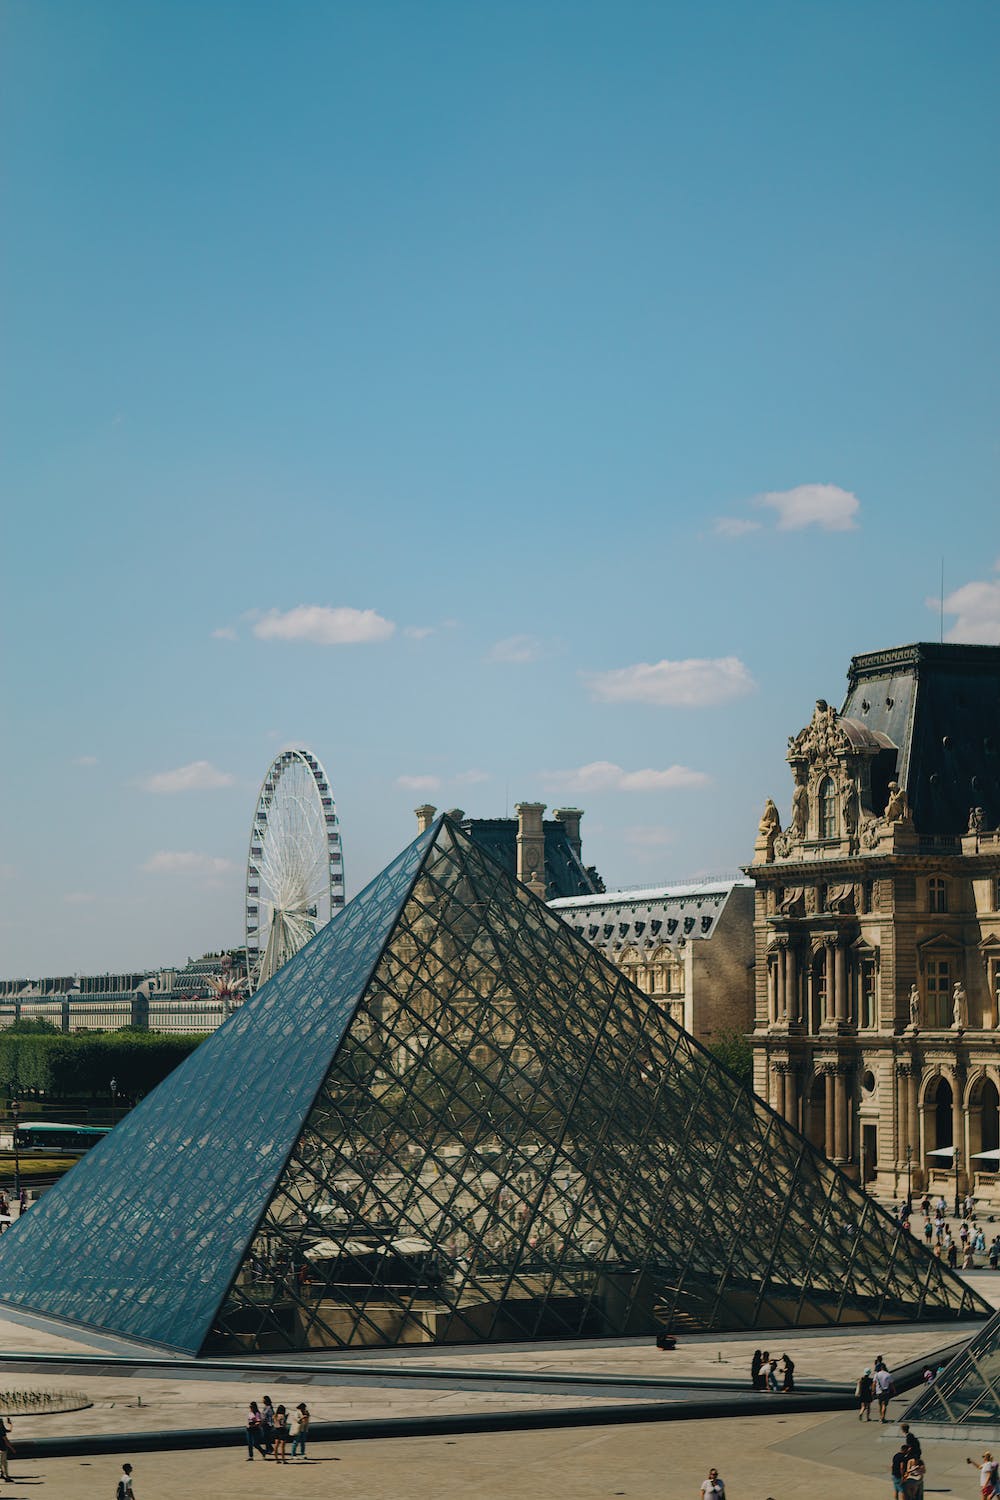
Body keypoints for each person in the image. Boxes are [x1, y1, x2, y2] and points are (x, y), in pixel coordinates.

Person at [0, 1420, 13, 1484]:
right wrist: (12, 1448)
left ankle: (2, 1474)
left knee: (1, 1463)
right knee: (4, 1464)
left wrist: (10, 1424)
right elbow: (6, 1441)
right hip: (2, 1449)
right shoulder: (2, 1431)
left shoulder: (2, 1430)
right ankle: (6, 1477)